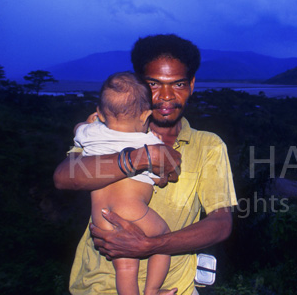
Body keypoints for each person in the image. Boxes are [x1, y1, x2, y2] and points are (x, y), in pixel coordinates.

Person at [54, 34, 238, 295]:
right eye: (154, 84)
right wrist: (140, 158)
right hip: (97, 286)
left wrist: (152, 245)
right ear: (139, 83)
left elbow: (221, 223)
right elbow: (64, 177)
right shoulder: (104, 132)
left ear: (192, 85)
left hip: (175, 289)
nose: (166, 96)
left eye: (178, 84)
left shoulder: (208, 145)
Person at [73, 71, 174, 295]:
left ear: (99, 112)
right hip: (132, 209)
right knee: (164, 239)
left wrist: (89, 123)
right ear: (145, 115)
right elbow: (161, 178)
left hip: (100, 216)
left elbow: (77, 130)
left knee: (126, 267)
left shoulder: (90, 133)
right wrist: (162, 176)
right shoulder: (147, 141)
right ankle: (153, 290)